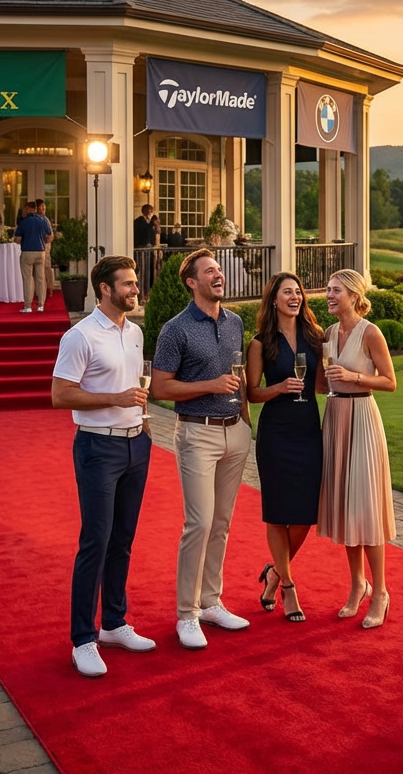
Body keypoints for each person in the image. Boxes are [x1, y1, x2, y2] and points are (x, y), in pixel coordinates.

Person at [51, 254, 155, 678]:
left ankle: (114, 622)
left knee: (123, 540)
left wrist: (142, 425)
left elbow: (137, 391)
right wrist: (116, 399)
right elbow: (60, 395)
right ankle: (83, 639)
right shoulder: (80, 336)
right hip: (97, 448)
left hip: (137, 445)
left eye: (135, 283)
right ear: (106, 289)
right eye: (128, 284)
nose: (135, 289)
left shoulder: (135, 332)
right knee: (95, 540)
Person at [149, 247, 252, 650]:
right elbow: (159, 388)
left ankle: (211, 601)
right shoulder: (175, 329)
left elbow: (239, 378)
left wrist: (245, 422)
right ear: (192, 282)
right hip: (196, 435)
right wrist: (210, 385)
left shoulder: (234, 323)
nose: (218, 275)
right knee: (200, 523)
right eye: (209, 271)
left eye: (219, 270)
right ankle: (186, 614)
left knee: (222, 523)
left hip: (234, 433)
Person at [318, 268, 397, 629]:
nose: (329, 295)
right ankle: (357, 586)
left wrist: (354, 378)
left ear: (353, 295)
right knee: (345, 508)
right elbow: (323, 383)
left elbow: (390, 382)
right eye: (329, 290)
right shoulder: (330, 333)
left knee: (366, 509)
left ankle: (379, 591)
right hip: (334, 418)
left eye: (336, 290)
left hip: (362, 417)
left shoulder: (371, 332)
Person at [246, 272, 324, 622]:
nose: (294, 297)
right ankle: (289, 587)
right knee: (278, 511)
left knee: (307, 512)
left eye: (297, 292)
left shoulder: (316, 337)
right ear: (273, 300)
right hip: (276, 432)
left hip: (308, 428)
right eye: (286, 292)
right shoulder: (261, 343)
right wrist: (278, 388)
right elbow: (251, 393)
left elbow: (321, 386)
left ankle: (275, 572)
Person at [13, 201, 53, 314]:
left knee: (28, 279)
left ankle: (28, 306)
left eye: (25, 209)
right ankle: (41, 305)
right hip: (41, 252)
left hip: (27, 252)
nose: (24, 211)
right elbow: (49, 236)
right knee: (40, 279)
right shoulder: (43, 220)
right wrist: (42, 241)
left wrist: (19, 240)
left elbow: (17, 239)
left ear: (28, 209)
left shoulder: (24, 222)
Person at [35, 200, 55, 300]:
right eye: (41, 206)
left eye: (44, 206)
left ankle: (50, 289)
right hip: (35, 247)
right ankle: (37, 290)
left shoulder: (45, 220)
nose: (43, 208)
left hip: (45, 246)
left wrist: (48, 239)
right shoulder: (34, 219)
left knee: (47, 267)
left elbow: (51, 235)